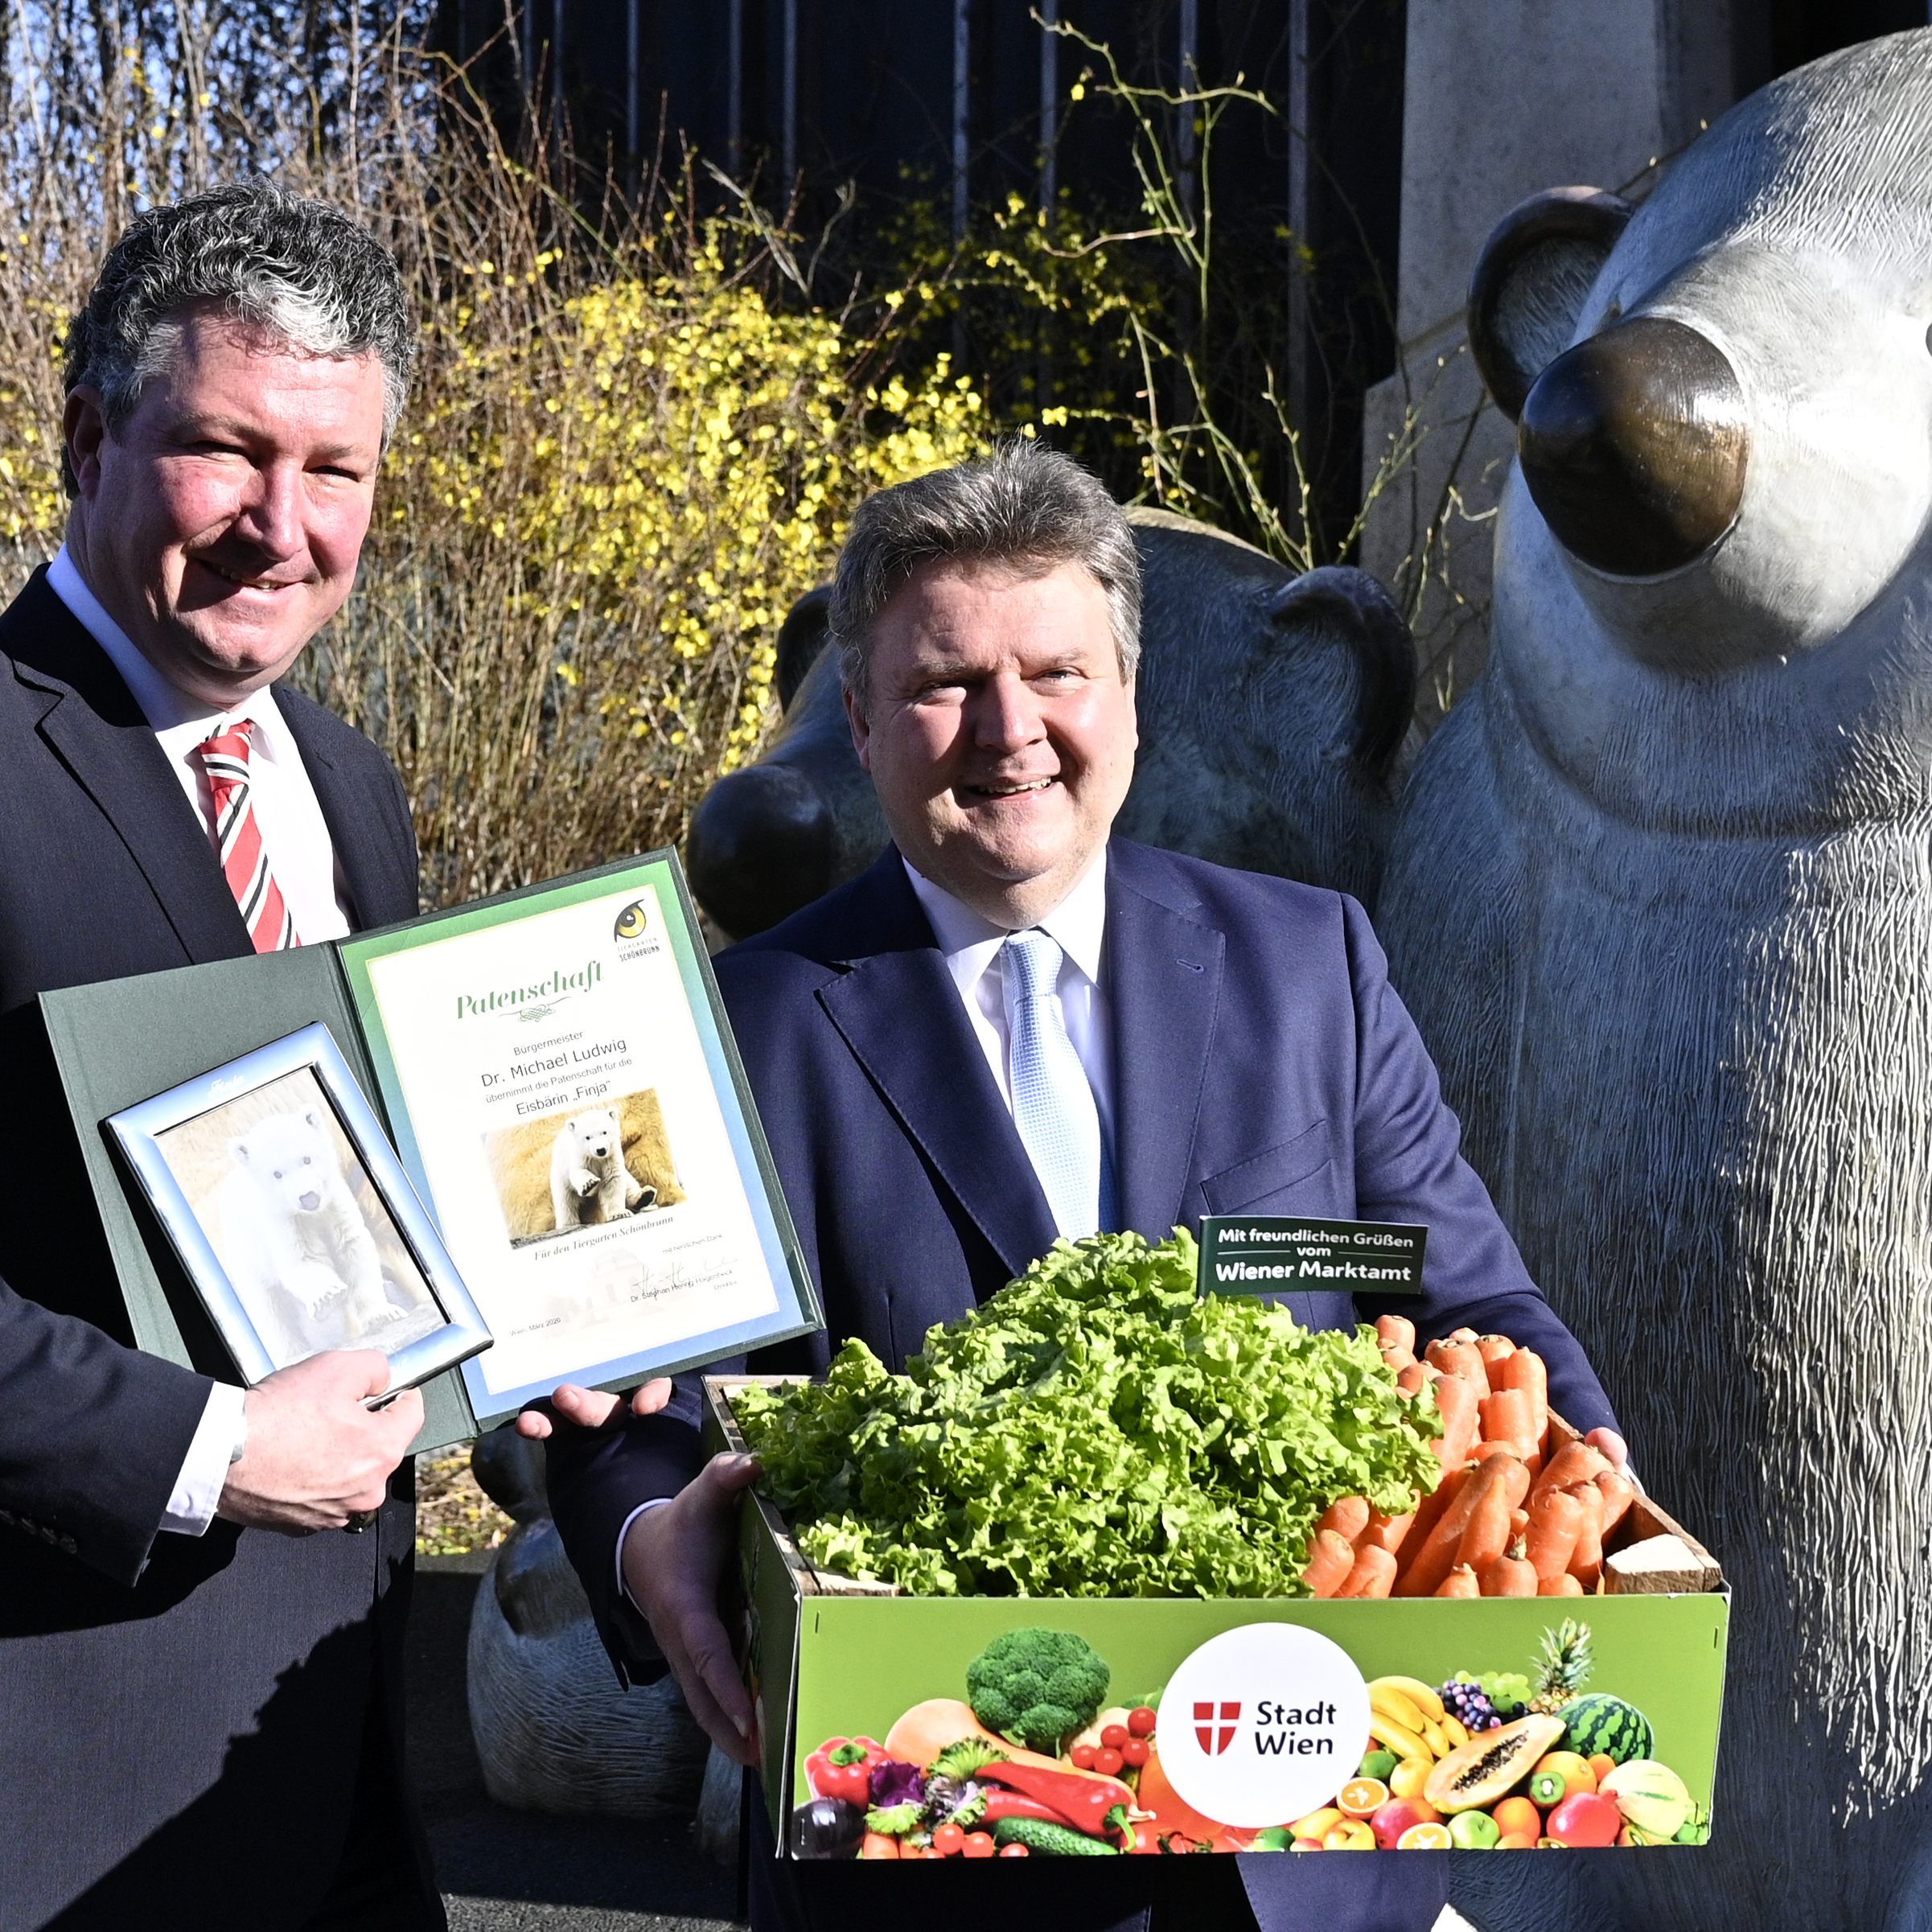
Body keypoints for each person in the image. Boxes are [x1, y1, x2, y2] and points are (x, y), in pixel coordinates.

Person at [536, 442, 1628, 1931]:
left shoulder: (1311, 961)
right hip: (925, 1849)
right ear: (858, 718)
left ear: (1126, 692)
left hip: (1309, 1839)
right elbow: (622, 1404)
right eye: (945, 683)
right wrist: (645, 1530)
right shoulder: (725, 1025)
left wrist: (1591, 1480)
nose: (1012, 730)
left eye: (1056, 671)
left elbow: (1471, 1299)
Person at [0, 183, 441, 1930]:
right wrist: (197, 1447)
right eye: (226, 452)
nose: (283, 524)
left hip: (330, 1761)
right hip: (55, 1776)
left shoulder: (347, 784)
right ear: (88, 439)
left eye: (335, 470)